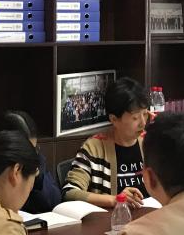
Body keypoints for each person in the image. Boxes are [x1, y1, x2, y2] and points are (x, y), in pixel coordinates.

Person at [63, 77, 151, 208]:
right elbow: (69, 192)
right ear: (114, 119)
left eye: (145, 114)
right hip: (113, 219)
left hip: (150, 216)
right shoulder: (93, 148)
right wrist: (114, 200)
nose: (143, 123)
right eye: (135, 118)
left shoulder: (150, 142)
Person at [0, 109, 61, 213]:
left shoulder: (37, 159)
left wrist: (37, 178)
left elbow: (54, 201)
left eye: (34, 149)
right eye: (28, 149)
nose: (32, 155)